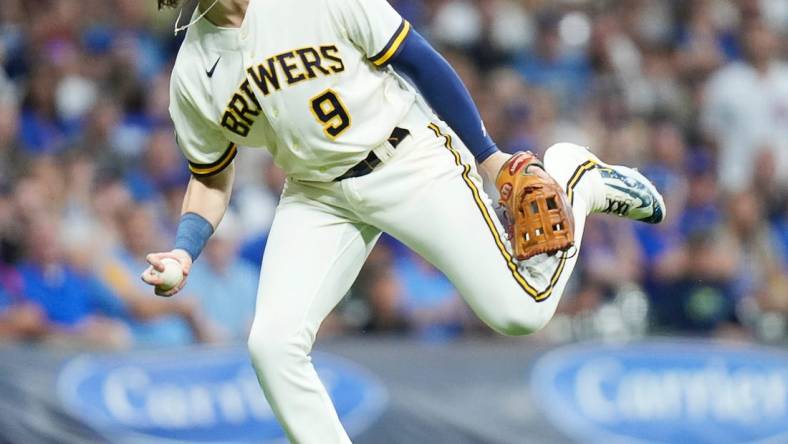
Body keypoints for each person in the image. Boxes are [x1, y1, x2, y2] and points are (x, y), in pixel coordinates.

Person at [142, 1, 665, 442]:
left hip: (403, 156)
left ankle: (578, 179)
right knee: (271, 346)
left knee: (520, 314)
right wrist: (184, 250)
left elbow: (419, 60)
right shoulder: (193, 71)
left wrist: (490, 158)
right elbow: (210, 177)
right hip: (316, 193)